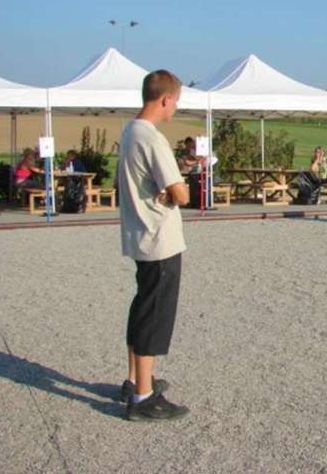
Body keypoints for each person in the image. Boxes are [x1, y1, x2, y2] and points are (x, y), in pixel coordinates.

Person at [117, 69, 190, 421]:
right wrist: (178, 188)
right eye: (175, 102)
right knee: (154, 315)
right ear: (165, 99)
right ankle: (144, 398)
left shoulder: (129, 130)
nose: (175, 109)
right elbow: (181, 193)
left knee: (141, 306)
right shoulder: (153, 138)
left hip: (139, 235)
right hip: (160, 239)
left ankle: (135, 379)